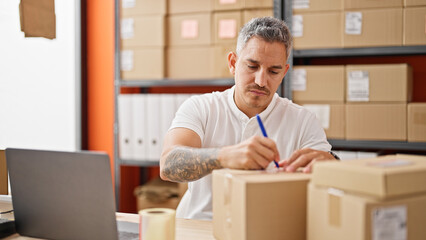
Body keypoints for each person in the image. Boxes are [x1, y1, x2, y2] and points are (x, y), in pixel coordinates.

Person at [159, 17, 338, 220]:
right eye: (252, 66)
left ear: (284, 73)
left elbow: (332, 181)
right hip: (200, 227)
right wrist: (224, 157)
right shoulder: (201, 107)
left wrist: (331, 166)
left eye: (273, 71)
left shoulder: (303, 120)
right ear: (233, 63)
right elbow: (168, 166)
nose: (261, 81)